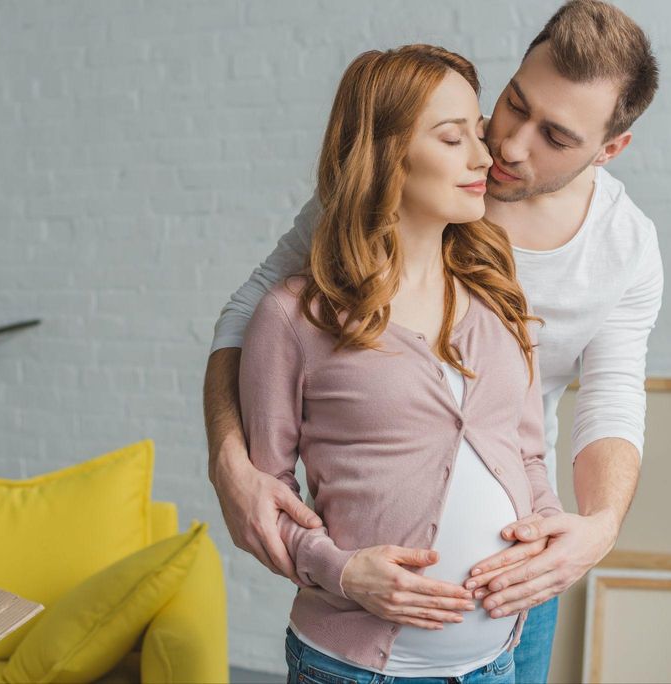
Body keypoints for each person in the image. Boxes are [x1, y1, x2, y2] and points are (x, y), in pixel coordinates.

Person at [205, 1, 663, 682]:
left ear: (609, 148)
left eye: (555, 136)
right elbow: (255, 314)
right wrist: (229, 461)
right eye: (513, 103)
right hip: (357, 633)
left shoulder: (621, 248)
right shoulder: (402, 182)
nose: (506, 146)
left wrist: (597, 528)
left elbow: (609, 398)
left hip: (522, 579)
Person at [238, 43, 562, 683]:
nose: (482, 156)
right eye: (451, 138)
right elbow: (264, 499)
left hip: (493, 664)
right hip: (354, 670)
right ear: (386, 156)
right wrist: (342, 572)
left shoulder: (498, 297)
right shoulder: (295, 317)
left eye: (477, 132)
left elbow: (525, 453)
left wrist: (546, 532)